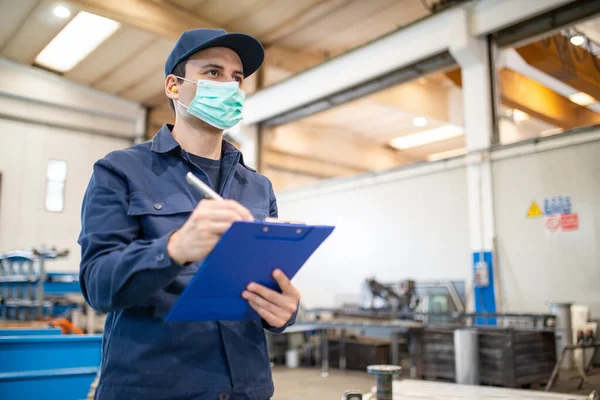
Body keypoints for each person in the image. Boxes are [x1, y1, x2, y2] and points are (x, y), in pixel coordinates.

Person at [78, 28, 301, 400]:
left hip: (246, 389)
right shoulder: (120, 171)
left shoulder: (258, 187)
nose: (228, 86)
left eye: (236, 78)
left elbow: (267, 283)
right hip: (155, 388)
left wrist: (284, 310)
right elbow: (98, 285)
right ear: (173, 87)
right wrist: (176, 247)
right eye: (213, 73)